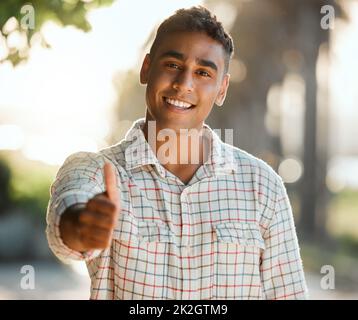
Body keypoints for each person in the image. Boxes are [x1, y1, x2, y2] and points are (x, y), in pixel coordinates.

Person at [46, 6, 308, 300]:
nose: (184, 84)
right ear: (147, 68)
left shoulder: (262, 186)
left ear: (222, 89)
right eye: (172, 65)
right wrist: (81, 227)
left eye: (203, 72)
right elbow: (67, 220)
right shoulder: (97, 170)